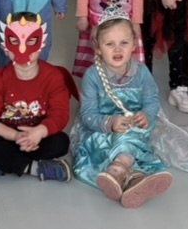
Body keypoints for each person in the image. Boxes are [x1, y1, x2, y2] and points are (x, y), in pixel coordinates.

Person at [73, 15, 172, 207]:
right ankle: (133, 176)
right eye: (110, 44)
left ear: (134, 44)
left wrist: (146, 115)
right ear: (98, 48)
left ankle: (118, 173)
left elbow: (151, 100)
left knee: (131, 134)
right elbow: (88, 114)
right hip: (100, 129)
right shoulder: (92, 76)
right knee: (113, 144)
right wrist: (110, 123)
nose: (117, 49)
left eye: (124, 43)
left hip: (134, 126)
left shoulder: (141, 72)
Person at [0, 14, 74, 182]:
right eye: (14, 41)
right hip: (7, 136)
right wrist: (15, 136)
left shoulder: (53, 77)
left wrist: (39, 132)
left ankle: (4, 164)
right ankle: (34, 168)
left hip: (39, 137)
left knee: (61, 142)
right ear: (5, 47)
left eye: (31, 41)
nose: (22, 49)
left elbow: (60, 114)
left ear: (41, 44)